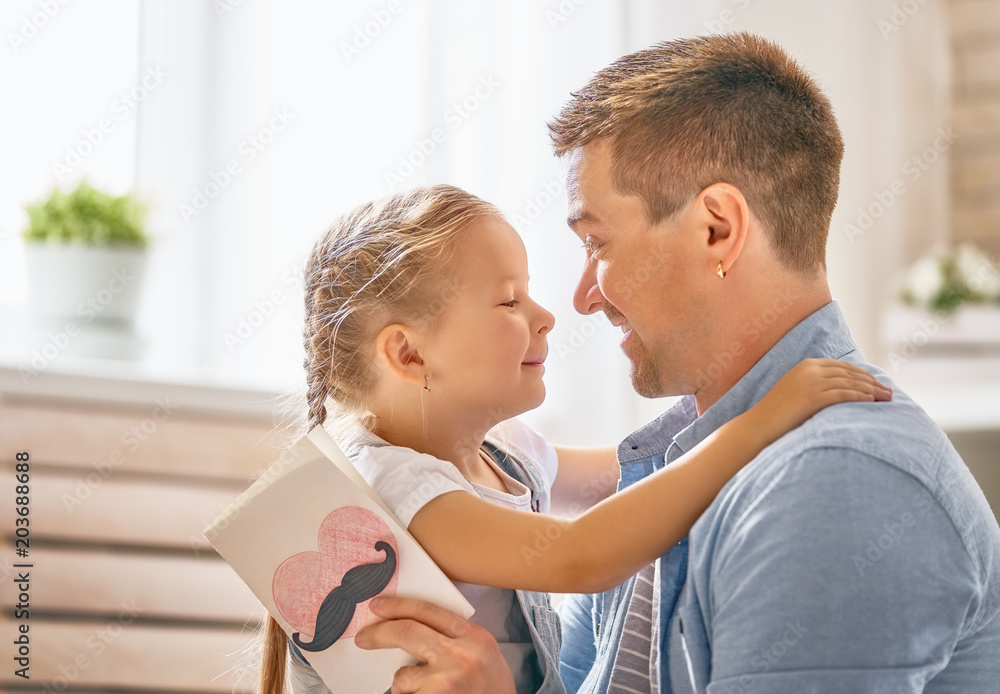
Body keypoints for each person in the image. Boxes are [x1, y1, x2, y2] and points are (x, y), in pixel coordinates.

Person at [355, 32, 1000, 693]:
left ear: (717, 228)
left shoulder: (836, 482)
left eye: (597, 243)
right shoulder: (669, 467)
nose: (580, 299)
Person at [254, 184, 890, 694]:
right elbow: (579, 556)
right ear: (409, 353)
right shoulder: (395, 489)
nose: (547, 315)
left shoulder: (504, 453)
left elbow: (633, 478)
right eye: (509, 302)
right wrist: (761, 421)